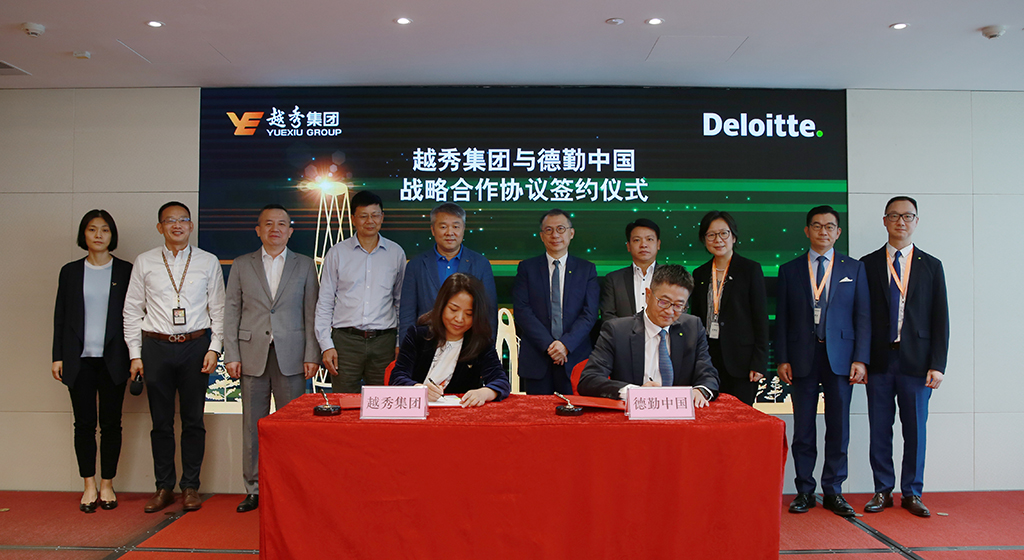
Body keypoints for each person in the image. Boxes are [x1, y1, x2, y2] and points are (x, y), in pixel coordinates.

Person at [123, 201, 225, 513]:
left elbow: (219, 309)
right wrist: (135, 354)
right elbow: (132, 309)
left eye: (183, 220)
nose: (177, 225)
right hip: (156, 347)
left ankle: (190, 486)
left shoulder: (208, 261)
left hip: (196, 346)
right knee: (161, 422)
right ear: (160, 227)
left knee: (194, 420)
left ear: (191, 225)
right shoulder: (145, 261)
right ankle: (164, 487)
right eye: (170, 220)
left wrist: (214, 348)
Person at [223, 204, 320, 513]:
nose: (275, 229)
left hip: (293, 356)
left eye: (281, 224)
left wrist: (312, 354)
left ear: (290, 231)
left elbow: (312, 312)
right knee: (253, 426)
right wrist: (231, 353)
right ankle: (254, 489)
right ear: (258, 230)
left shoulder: (305, 265)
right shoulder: (242, 264)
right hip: (251, 355)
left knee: (292, 427)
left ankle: (292, 487)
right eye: (268, 224)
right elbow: (231, 311)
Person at [775, 205, 869, 518]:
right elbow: (782, 319)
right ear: (807, 231)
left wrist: (861, 359)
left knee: (838, 427)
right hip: (801, 358)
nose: (823, 231)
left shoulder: (854, 268)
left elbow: (863, 317)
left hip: (840, 359)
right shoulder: (790, 270)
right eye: (817, 226)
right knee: (803, 428)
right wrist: (782, 358)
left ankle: (833, 490)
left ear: (838, 232)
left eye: (829, 226)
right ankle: (804, 489)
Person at [860, 196, 948, 517]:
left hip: (918, 363)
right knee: (879, 429)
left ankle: (912, 492)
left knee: (915, 431)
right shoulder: (867, 264)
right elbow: (861, 316)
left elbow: (940, 318)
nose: (901, 222)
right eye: (894, 216)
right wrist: (860, 359)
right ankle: (882, 489)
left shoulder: (932, 265)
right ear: (884, 221)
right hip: (879, 361)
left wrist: (938, 364)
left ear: (916, 221)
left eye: (907, 216)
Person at [52, 210, 133, 513]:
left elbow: (135, 315)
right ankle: (89, 484)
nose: (99, 235)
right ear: (83, 235)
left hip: (114, 359)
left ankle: (107, 483)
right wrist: (57, 356)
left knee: (111, 424)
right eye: (92, 229)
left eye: (105, 230)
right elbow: (60, 317)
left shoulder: (126, 270)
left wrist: (135, 356)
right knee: (84, 424)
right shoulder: (70, 271)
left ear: (112, 235)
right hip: (79, 359)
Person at [578, 264, 719, 405]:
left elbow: (708, 374)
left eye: (678, 305)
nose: (669, 311)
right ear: (648, 295)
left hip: (679, 412)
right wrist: (635, 392)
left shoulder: (693, 327)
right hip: (633, 412)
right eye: (663, 302)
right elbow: (589, 379)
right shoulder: (617, 331)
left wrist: (700, 390)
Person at [315, 191, 406, 393]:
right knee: (344, 403)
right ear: (353, 218)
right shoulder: (337, 253)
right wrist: (326, 345)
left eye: (375, 215)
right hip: (345, 343)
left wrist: (400, 342)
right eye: (363, 216)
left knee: (383, 402)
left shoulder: (396, 253)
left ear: (382, 217)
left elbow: (401, 302)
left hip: (384, 343)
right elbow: (325, 302)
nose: (370, 221)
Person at [512, 209, 599, 395]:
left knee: (576, 413)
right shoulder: (527, 268)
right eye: (549, 230)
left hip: (575, 358)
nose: (555, 235)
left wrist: (565, 345)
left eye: (561, 229)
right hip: (537, 358)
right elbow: (522, 310)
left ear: (571, 233)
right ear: (542, 236)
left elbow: (590, 313)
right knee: (537, 413)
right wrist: (550, 346)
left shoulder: (587, 270)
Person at [390, 273, 511, 405]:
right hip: (417, 410)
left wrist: (484, 393)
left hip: (459, 413)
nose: (459, 319)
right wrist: (419, 389)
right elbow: (397, 378)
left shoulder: (480, 343)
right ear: (441, 305)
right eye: (453, 310)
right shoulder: (418, 335)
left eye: (469, 314)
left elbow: (501, 381)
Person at [690, 211, 768, 406]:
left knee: (741, 416)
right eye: (711, 235)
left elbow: (760, 318)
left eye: (724, 233)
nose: (718, 240)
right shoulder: (699, 274)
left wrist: (759, 362)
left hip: (742, 361)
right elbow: (696, 318)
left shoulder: (750, 270)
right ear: (704, 239)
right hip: (709, 358)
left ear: (733, 237)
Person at [399, 202, 497, 342]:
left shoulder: (480, 264)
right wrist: (407, 348)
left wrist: (487, 348)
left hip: (468, 344)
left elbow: (489, 313)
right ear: (433, 230)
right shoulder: (416, 265)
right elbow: (407, 314)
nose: (450, 233)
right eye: (443, 227)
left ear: (463, 229)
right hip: (426, 343)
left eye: (456, 227)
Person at [599, 218, 661, 320]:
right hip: (624, 331)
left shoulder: (672, 277)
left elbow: (678, 313)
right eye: (637, 240)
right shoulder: (614, 279)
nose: (643, 245)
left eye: (649, 239)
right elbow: (608, 316)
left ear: (658, 244)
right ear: (628, 246)